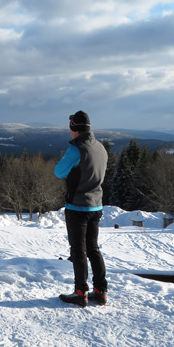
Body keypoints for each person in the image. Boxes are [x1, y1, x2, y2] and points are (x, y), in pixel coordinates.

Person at [54, 110, 108, 307]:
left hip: (77, 206)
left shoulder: (77, 150)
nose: (69, 132)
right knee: (93, 249)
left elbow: (59, 172)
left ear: (74, 128)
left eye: (70, 127)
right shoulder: (101, 148)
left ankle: (80, 292)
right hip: (96, 205)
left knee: (78, 250)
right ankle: (100, 291)